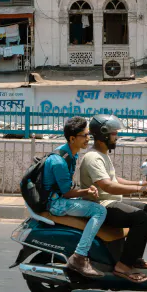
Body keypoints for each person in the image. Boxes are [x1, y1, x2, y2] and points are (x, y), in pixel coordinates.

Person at [80, 114, 147, 284]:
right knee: (141, 218)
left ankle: (134, 258)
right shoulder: (93, 157)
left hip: (111, 202)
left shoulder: (102, 154)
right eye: (114, 134)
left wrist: (141, 183)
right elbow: (108, 186)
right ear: (104, 135)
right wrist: (140, 189)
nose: (117, 137)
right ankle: (122, 266)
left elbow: (114, 179)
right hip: (101, 206)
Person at [43, 116, 107, 278]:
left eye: (88, 135)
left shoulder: (71, 154)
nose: (88, 139)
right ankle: (79, 256)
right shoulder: (59, 161)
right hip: (56, 203)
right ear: (72, 138)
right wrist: (86, 191)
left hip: (62, 198)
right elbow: (67, 192)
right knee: (100, 212)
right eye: (84, 135)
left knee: (94, 204)